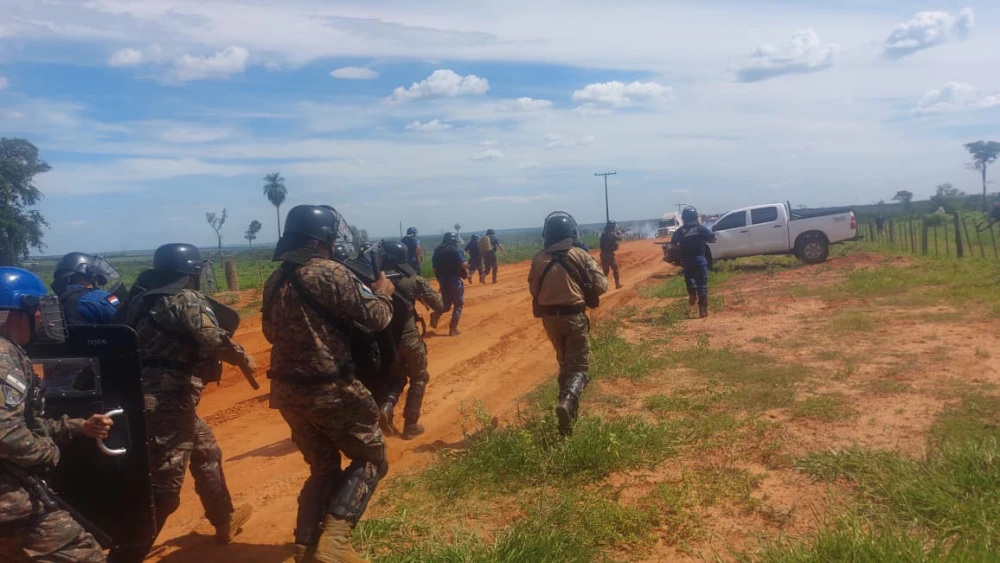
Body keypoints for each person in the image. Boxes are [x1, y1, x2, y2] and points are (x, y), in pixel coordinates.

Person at [262, 205, 394, 563]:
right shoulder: (330, 272)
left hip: (287, 393)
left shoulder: (275, 280)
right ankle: (334, 542)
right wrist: (383, 292)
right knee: (371, 458)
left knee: (322, 467)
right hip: (332, 388)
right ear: (324, 238)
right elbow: (377, 319)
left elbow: (270, 332)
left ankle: (304, 548)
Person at [123, 243, 256, 551]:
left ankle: (224, 519)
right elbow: (212, 339)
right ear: (191, 273)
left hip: (144, 395)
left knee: (206, 450)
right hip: (170, 401)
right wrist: (241, 356)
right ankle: (126, 553)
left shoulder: (142, 300)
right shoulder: (186, 298)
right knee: (165, 490)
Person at [0, 267, 115, 562]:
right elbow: (5, 434)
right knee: (84, 554)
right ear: (15, 312)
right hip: (10, 503)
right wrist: (48, 452)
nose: (41, 316)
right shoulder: (2, 357)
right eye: (36, 308)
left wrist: (78, 426)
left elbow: (23, 423)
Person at [528, 212, 608, 436]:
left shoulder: (538, 258)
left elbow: (534, 290)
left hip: (549, 320)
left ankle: (566, 425)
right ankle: (566, 402)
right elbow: (602, 286)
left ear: (546, 234)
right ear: (572, 232)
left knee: (564, 363)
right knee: (579, 368)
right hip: (574, 317)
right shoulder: (580, 254)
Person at [377, 241, 444, 440]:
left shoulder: (374, 281)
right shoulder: (413, 280)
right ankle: (411, 425)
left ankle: (387, 406)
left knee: (397, 376)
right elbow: (439, 304)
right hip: (410, 340)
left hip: (386, 342)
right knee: (419, 377)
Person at [671, 206, 717, 318]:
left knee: (689, 279)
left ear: (683, 218)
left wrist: (681, 247)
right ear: (695, 217)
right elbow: (713, 239)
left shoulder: (679, 231)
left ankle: (692, 292)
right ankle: (703, 310)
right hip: (700, 260)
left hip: (687, 261)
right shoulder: (701, 229)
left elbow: (673, 245)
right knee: (702, 285)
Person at [51, 252, 122, 324]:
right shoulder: (99, 297)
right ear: (91, 276)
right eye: (97, 280)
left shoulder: (53, 303)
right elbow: (121, 318)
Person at [431, 232, 468, 336]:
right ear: (453, 239)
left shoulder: (438, 250)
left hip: (443, 281)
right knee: (458, 304)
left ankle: (436, 314)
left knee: (446, 305)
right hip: (454, 280)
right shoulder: (456, 249)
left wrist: (441, 280)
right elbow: (463, 264)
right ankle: (453, 329)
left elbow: (434, 269)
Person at [599, 221, 624, 289]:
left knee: (605, 271)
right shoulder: (612, 234)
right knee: (615, 269)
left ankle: (603, 286)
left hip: (603, 254)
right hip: (609, 255)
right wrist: (620, 233)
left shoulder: (603, 234)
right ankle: (617, 284)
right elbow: (619, 238)